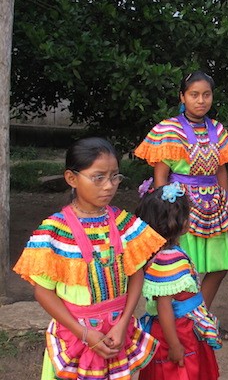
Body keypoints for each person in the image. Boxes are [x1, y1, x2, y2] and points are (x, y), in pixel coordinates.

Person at [13, 137, 166, 379]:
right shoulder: (54, 231)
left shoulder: (124, 224)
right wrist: (84, 334)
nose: (109, 186)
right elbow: (43, 292)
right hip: (75, 337)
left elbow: (137, 274)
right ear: (72, 178)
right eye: (98, 177)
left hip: (117, 333)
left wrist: (123, 322)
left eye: (115, 176)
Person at [135, 71, 228, 339]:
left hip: (213, 207)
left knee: (219, 266)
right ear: (182, 97)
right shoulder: (169, 129)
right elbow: (161, 173)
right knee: (185, 267)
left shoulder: (217, 129)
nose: (201, 100)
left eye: (206, 95)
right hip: (181, 206)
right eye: (194, 95)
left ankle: (199, 317)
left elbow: (221, 171)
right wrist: (164, 211)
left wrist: (227, 203)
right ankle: (185, 322)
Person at [136, 184, 220, 380]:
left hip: (182, 327)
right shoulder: (168, 259)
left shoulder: (163, 253)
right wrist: (174, 345)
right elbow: (164, 306)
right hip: (177, 331)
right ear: (179, 222)